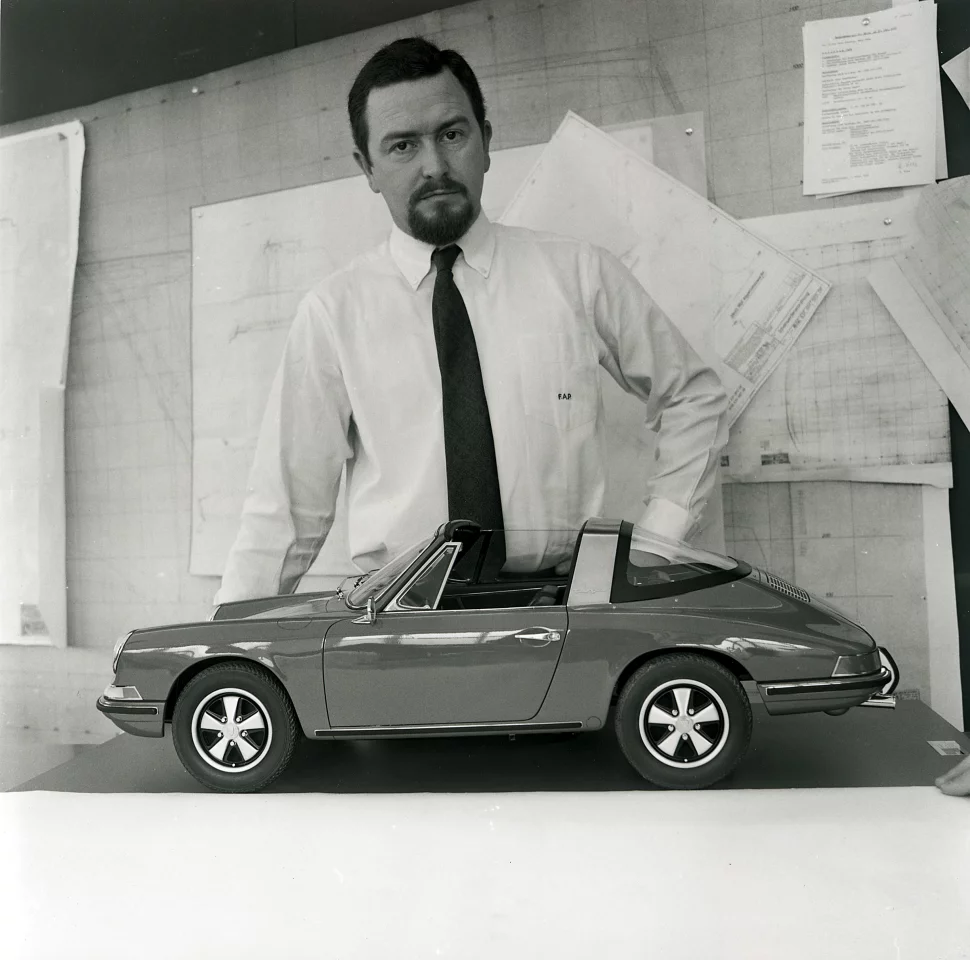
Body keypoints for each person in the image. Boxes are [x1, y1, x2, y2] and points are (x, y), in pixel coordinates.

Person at [214, 36, 728, 604]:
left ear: (486, 140)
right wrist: (220, 652)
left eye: (452, 135)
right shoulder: (333, 314)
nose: (434, 166)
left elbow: (693, 395)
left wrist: (657, 546)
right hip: (399, 620)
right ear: (368, 168)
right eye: (403, 146)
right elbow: (285, 511)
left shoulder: (580, 274)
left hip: (560, 613)